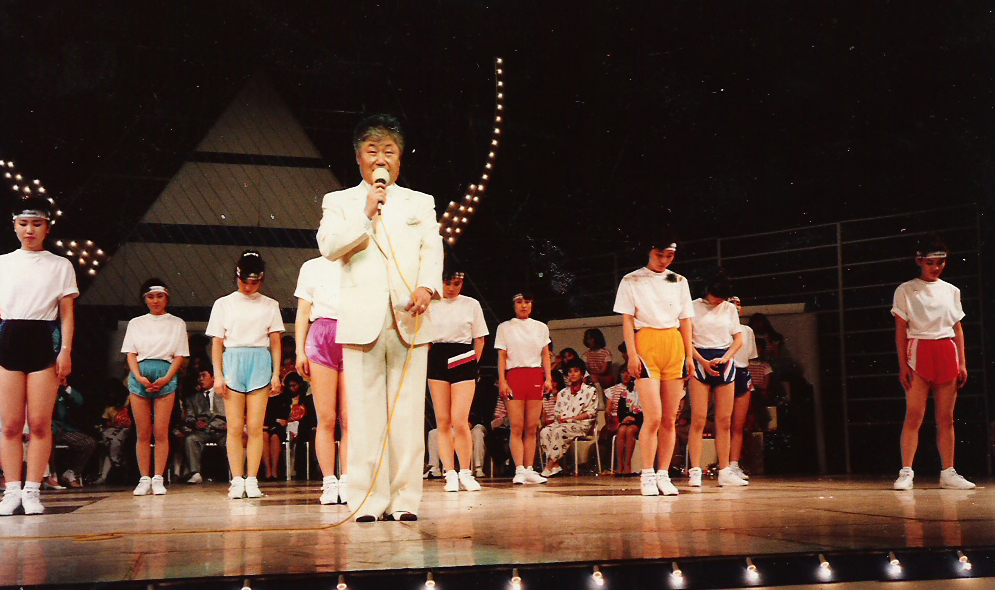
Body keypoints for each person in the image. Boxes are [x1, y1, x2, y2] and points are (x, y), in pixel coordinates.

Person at [317, 114, 443, 522]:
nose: (381, 158)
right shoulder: (339, 202)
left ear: (400, 159)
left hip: (409, 319)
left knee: (407, 415)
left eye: (389, 151)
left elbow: (432, 249)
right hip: (361, 321)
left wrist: (427, 288)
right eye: (372, 151)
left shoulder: (420, 202)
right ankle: (367, 500)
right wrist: (366, 211)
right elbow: (328, 246)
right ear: (358, 158)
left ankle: (405, 500)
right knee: (365, 415)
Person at [0, 197, 78, 516]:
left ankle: (32, 490)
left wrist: (65, 351)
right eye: (23, 224)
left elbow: (67, 315)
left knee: (40, 423)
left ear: (47, 228)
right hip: (8, 339)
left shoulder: (61, 265)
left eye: (36, 224)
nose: (29, 230)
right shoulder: (3, 263)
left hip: (43, 340)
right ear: (14, 226)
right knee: (10, 425)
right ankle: (11, 491)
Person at [613, 231, 693, 496]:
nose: (664, 261)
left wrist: (689, 356)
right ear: (649, 251)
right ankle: (647, 474)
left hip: (674, 345)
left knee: (670, 418)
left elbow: (685, 320)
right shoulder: (631, 279)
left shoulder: (679, 280)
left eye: (669, 256)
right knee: (654, 416)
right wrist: (632, 354)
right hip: (646, 343)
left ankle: (663, 474)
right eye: (660, 255)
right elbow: (627, 320)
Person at [891, 235, 973, 490]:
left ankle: (948, 472)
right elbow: (901, 330)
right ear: (919, 261)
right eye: (930, 263)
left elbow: (957, 329)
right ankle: (906, 471)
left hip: (946, 352)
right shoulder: (905, 290)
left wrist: (962, 363)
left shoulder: (951, 291)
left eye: (940, 263)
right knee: (914, 415)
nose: (936, 267)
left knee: (946, 418)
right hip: (919, 351)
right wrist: (903, 365)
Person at [206, 250, 284, 499]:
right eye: (245, 282)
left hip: (259, 361)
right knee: (234, 427)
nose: (249, 288)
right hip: (233, 361)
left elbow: (276, 342)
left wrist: (276, 374)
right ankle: (237, 480)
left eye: (255, 283)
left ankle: (252, 479)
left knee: (255, 427)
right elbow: (217, 343)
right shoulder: (223, 304)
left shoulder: (270, 305)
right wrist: (218, 375)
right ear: (237, 276)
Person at [121, 278, 189, 496]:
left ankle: (158, 477)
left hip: (165, 374)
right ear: (145, 299)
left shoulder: (177, 323)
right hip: (140, 375)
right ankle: (144, 478)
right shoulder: (136, 323)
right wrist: (138, 377)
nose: (155, 300)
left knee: (161, 431)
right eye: (151, 297)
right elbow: (130, 353)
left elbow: (179, 355)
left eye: (160, 296)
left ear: (166, 297)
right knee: (143, 432)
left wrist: (167, 378)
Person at [427, 268, 488, 493]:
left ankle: (465, 472)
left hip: (463, 357)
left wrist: (472, 364)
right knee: (442, 421)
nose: (452, 288)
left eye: (457, 284)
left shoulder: (471, 304)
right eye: (447, 283)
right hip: (437, 356)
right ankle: (450, 473)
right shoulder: (431, 304)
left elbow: (480, 338)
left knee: (460, 420)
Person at [294, 255, 348, 504]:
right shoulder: (311, 266)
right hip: (322, 335)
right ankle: (329, 482)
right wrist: (299, 351)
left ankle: (347, 480)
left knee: (348, 419)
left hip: (353, 333)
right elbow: (303, 311)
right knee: (325, 417)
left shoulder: (357, 261)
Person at [686, 271, 746, 487]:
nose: (719, 300)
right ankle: (695, 470)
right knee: (698, 419)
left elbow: (738, 339)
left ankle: (724, 470)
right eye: (716, 296)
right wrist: (702, 362)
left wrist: (726, 358)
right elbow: (686, 341)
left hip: (724, 361)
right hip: (700, 360)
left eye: (722, 297)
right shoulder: (692, 307)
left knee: (724, 420)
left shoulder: (729, 308)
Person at [495, 293, 553, 485]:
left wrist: (548, 378)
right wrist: (503, 381)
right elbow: (501, 356)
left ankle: (529, 469)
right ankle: (519, 469)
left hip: (535, 376)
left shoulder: (541, 327)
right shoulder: (504, 327)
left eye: (527, 302)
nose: (523, 306)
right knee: (517, 426)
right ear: (513, 305)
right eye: (519, 302)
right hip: (515, 376)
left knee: (531, 426)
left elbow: (545, 354)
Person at [539, 359, 598, 477]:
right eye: (570, 372)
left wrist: (572, 419)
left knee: (559, 431)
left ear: (582, 373)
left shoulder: (590, 391)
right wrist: (560, 419)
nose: (572, 374)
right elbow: (557, 412)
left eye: (576, 371)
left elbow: (591, 412)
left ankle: (549, 466)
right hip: (562, 423)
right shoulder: (562, 393)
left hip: (580, 424)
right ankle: (556, 466)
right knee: (544, 432)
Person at [181, 367, 227, 483]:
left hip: (221, 429)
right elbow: (189, 417)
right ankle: (195, 473)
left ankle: (235, 472)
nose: (200, 379)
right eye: (199, 377)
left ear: (213, 378)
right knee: (191, 439)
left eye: (203, 376)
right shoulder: (193, 398)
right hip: (202, 431)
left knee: (231, 440)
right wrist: (195, 423)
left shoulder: (223, 394)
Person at [728, 296, 757, 481]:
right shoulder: (720, 328)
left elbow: (750, 358)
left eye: (739, 303)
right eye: (732, 303)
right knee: (724, 423)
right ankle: (724, 466)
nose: (736, 306)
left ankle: (734, 464)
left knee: (738, 424)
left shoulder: (747, 331)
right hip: (725, 372)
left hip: (742, 374)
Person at [605, 366, 640, 475]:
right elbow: (621, 409)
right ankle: (619, 465)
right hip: (625, 420)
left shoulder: (642, 391)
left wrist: (634, 418)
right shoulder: (625, 392)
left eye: (628, 373)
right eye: (623, 372)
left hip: (639, 421)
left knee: (630, 431)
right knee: (622, 430)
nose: (625, 375)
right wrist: (625, 419)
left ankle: (627, 464)